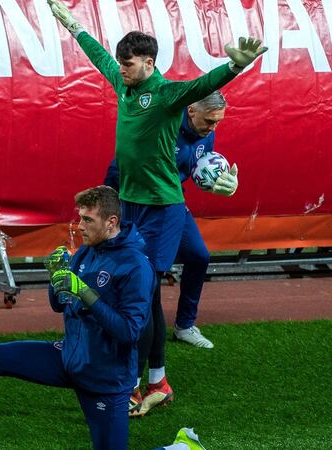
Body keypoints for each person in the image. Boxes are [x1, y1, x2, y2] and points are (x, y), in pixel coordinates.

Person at [48, 0, 265, 417]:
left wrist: (234, 67)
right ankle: (156, 382)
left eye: (128, 65)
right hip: (129, 205)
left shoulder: (166, 94)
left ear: (148, 62)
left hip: (163, 210)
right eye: (121, 65)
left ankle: (137, 382)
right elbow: (98, 58)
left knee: (142, 296)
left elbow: (203, 86)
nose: (121, 70)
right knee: (143, 299)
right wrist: (74, 25)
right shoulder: (123, 83)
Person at [0, 186, 155, 450]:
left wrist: (84, 292)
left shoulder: (137, 266)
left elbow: (130, 331)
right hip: (71, 357)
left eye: (87, 220)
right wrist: (57, 277)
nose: (79, 226)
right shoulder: (87, 250)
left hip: (105, 378)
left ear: (111, 222)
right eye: (79, 217)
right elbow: (59, 305)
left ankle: (181, 447)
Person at [105, 91, 237, 353]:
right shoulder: (161, 126)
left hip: (171, 205)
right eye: (210, 121)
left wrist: (218, 183)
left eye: (218, 122)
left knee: (198, 256)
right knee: (139, 270)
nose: (213, 128)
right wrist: (110, 203)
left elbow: (197, 169)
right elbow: (122, 163)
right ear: (190, 111)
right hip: (135, 204)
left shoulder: (205, 134)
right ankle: (117, 327)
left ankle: (185, 325)